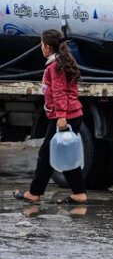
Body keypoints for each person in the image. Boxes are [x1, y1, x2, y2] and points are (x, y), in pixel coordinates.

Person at [13, 29, 88, 205]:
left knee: (49, 154)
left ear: (47, 46)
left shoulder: (55, 66)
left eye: (41, 44)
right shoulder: (63, 61)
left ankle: (35, 193)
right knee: (60, 154)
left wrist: (61, 117)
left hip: (63, 118)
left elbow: (59, 93)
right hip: (70, 115)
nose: (41, 48)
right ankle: (76, 193)